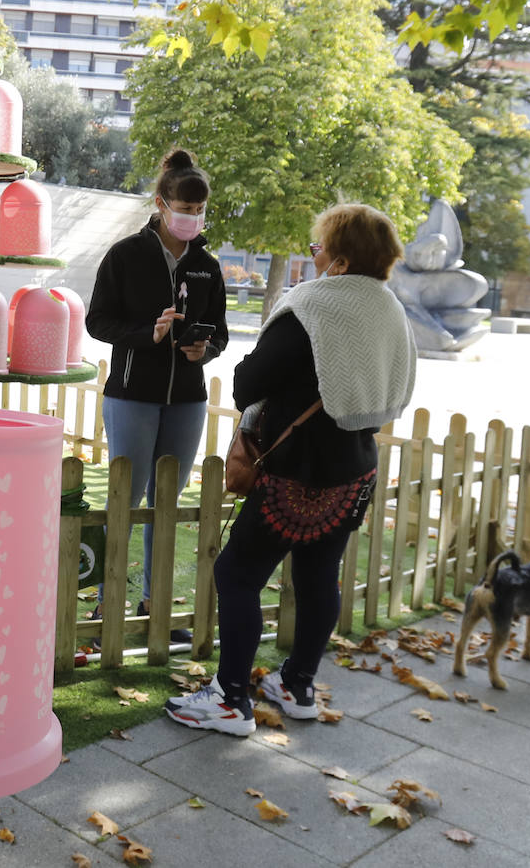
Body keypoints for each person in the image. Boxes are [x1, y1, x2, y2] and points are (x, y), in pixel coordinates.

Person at [165, 203, 416, 736]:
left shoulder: (316, 305)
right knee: (318, 577)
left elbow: (248, 382)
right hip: (355, 470)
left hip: (295, 470)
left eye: (318, 247)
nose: (314, 256)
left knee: (238, 574)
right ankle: (297, 685)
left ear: (342, 260)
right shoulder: (390, 308)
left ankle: (231, 699)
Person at [85, 147, 228, 636]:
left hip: (187, 400)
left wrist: (202, 351)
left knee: (166, 503)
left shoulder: (208, 265)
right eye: (184, 209)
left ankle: (155, 606)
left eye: (199, 210)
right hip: (130, 397)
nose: (192, 218)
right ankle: (107, 604)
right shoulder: (126, 255)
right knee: (126, 501)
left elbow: (223, 334)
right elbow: (97, 321)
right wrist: (148, 334)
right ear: (162, 203)